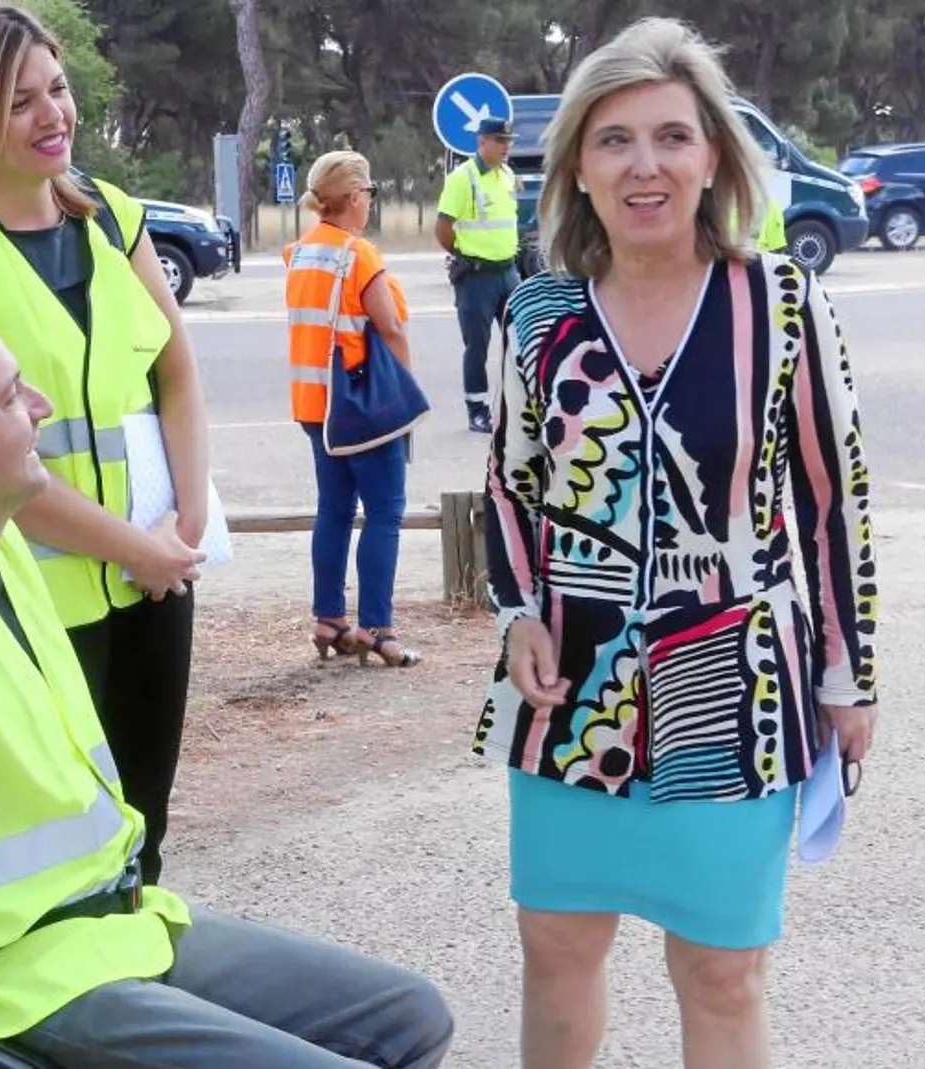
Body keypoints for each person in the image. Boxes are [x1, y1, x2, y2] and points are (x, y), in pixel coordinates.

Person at [0, 295, 455, 1069]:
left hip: (115, 921)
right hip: (2, 981)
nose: (39, 405)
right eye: (9, 397)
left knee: (411, 1018)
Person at [475, 17, 881, 1069]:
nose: (643, 164)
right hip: (572, 684)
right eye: (613, 140)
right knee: (556, 943)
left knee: (722, 967)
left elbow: (835, 503)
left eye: (670, 136)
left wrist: (849, 676)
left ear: (713, 158)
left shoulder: (782, 304)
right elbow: (511, 484)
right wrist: (516, 609)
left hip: (735, 679)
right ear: (574, 166)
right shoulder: (534, 314)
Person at [0, 3, 209, 886]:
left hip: (158, 576)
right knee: (71, 830)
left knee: (150, 817)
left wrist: (185, 521)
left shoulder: (113, 217)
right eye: (19, 100)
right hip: (40, 596)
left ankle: (147, 978)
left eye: (57, 89)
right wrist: (139, 547)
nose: (53, 115)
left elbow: (177, 372)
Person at [283, 151, 421, 669]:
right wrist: (402, 395)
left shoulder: (297, 253)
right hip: (361, 408)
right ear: (355, 198)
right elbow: (391, 327)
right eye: (368, 195)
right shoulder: (358, 254)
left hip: (313, 405)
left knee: (334, 510)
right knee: (385, 513)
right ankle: (377, 629)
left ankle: (329, 619)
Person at [434, 116, 522, 434]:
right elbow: (443, 229)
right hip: (477, 276)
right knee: (477, 347)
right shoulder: (463, 179)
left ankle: (521, 407)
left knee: (522, 342)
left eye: (508, 141)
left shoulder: (507, 175)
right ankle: (477, 410)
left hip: (508, 272)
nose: (506, 147)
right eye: (499, 141)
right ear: (482, 142)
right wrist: (465, 254)